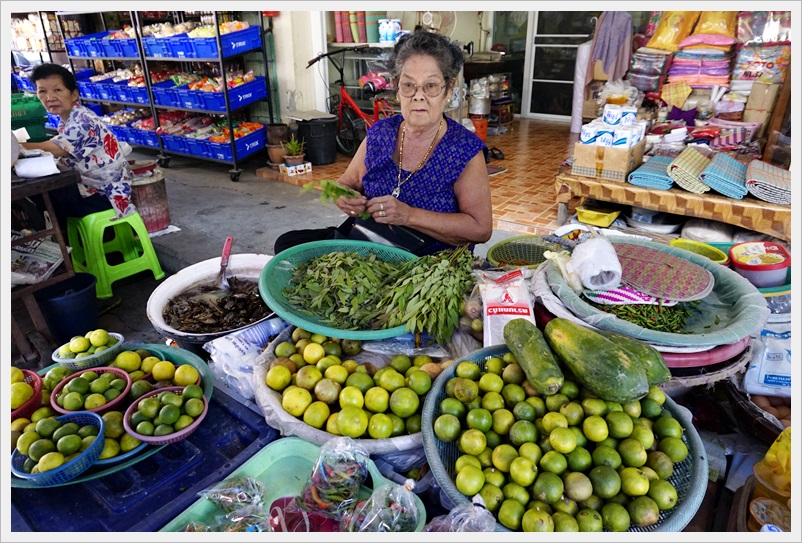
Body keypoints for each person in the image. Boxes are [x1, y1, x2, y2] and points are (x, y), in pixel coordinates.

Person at [274, 30, 492, 256]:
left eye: (430, 86)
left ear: (448, 89)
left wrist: (409, 215)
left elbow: (480, 228)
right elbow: (346, 182)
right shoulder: (381, 133)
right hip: (369, 241)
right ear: (397, 87)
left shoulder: (465, 151)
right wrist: (344, 196)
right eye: (409, 85)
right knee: (287, 245)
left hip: (426, 263)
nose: (418, 96)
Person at [21, 63, 135, 230]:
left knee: (44, 194)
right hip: (93, 187)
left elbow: (57, 147)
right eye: (42, 91)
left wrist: (16, 146)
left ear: (74, 94)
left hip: (105, 195)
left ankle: (66, 243)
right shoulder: (68, 118)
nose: (49, 97)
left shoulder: (83, 121)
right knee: (45, 192)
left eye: (57, 90)